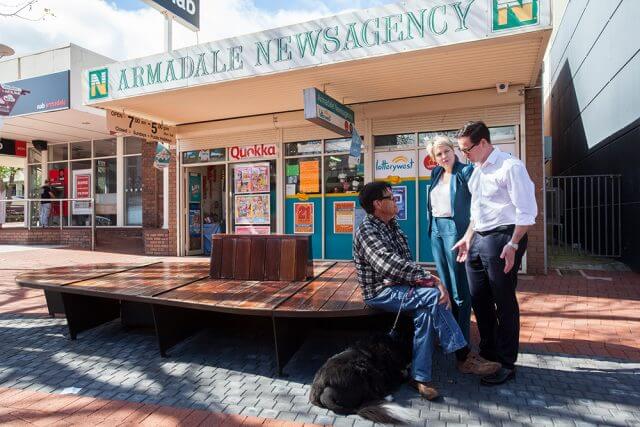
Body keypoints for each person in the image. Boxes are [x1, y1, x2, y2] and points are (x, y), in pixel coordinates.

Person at [353, 181, 500, 400]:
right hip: (379, 293)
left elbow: (404, 264)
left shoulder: (392, 226)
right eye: (391, 198)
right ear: (377, 204)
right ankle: (463, 356)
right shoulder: (367, 230)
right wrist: (430, 280)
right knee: (433, 296)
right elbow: (388, 264)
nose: (396, 202)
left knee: (426, 313)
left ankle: (420, 377)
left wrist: (421, 279)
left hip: (397, 286)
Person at [452, 121, 537, 386]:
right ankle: (488, 354)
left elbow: (527, 211)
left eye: (467, 149)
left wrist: (513, 244)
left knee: (504, 300)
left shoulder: (510, 167)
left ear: (484, 143)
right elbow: (476, 213)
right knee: (479, 299)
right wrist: (467, 238)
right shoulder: (476, 171)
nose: (464, 155)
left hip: (504, 236)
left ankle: (507, 363)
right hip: (478, 239)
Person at [426, 136, 473, 341]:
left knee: (459, 286)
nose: (444, 156)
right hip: (436, 228)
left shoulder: (465, 171)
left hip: (455, 229)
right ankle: (449, 331)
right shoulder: (436, 173)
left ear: (454, 151)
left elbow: (477, 203)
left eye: (447, 151)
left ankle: (461, 337)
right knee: (443, 285)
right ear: (434, 159)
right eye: (439, 154)